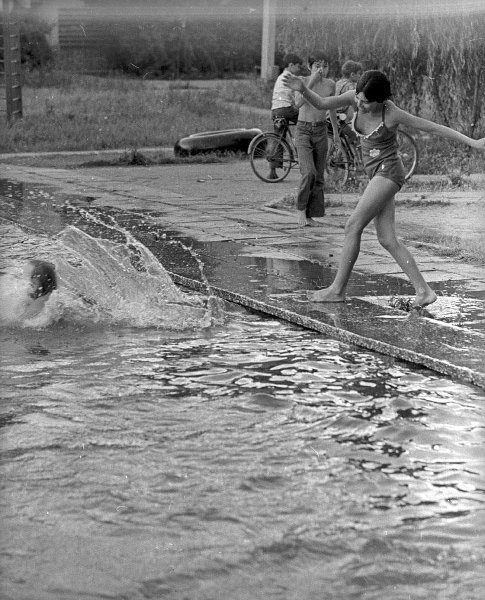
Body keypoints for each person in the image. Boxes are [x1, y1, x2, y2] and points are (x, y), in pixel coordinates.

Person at [282, 69, 485, 308]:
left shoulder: (392, 113)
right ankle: (424, 291)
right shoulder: (354, 98)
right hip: (376, 175)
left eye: (366, 102)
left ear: (380, 100)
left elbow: (432, 128)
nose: (359, 104)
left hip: (388, 172)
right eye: (358, 98)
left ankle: (337, 290)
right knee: (387, 239)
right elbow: (323, 102)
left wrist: (473, 142)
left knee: (352, 226)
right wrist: (303, 88)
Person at [293, 52, 340, 227]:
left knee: (318, 176)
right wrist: (311, 81)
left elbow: (332, 108)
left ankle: (310, 215)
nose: (321, 69)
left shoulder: (330, 84)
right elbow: (298, 103)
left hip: (321, 130)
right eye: (317, 66)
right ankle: (300, 210)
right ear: (310, 67)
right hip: (303, 130)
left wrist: (335, 133)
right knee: (308, 172)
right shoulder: (302, 81)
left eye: (325, 66)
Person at [268, 53, 304, 179]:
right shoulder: (291, 77)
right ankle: (302, 149)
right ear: (291, 65)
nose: (299, 69)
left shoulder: (281, 76)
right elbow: (296, 98)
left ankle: (273, 170)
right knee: (306, 122)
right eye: (298, 66)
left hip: (275, 110)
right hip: (285, 109)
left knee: (278, 138)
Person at [335, 60, 363, 140]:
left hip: (333, 117)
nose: (360, 76)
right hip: (340, 119)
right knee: (358, 136)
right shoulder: (351, 86)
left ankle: (345, 151)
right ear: (352, 74)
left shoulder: (338, 83)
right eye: (359, 74)